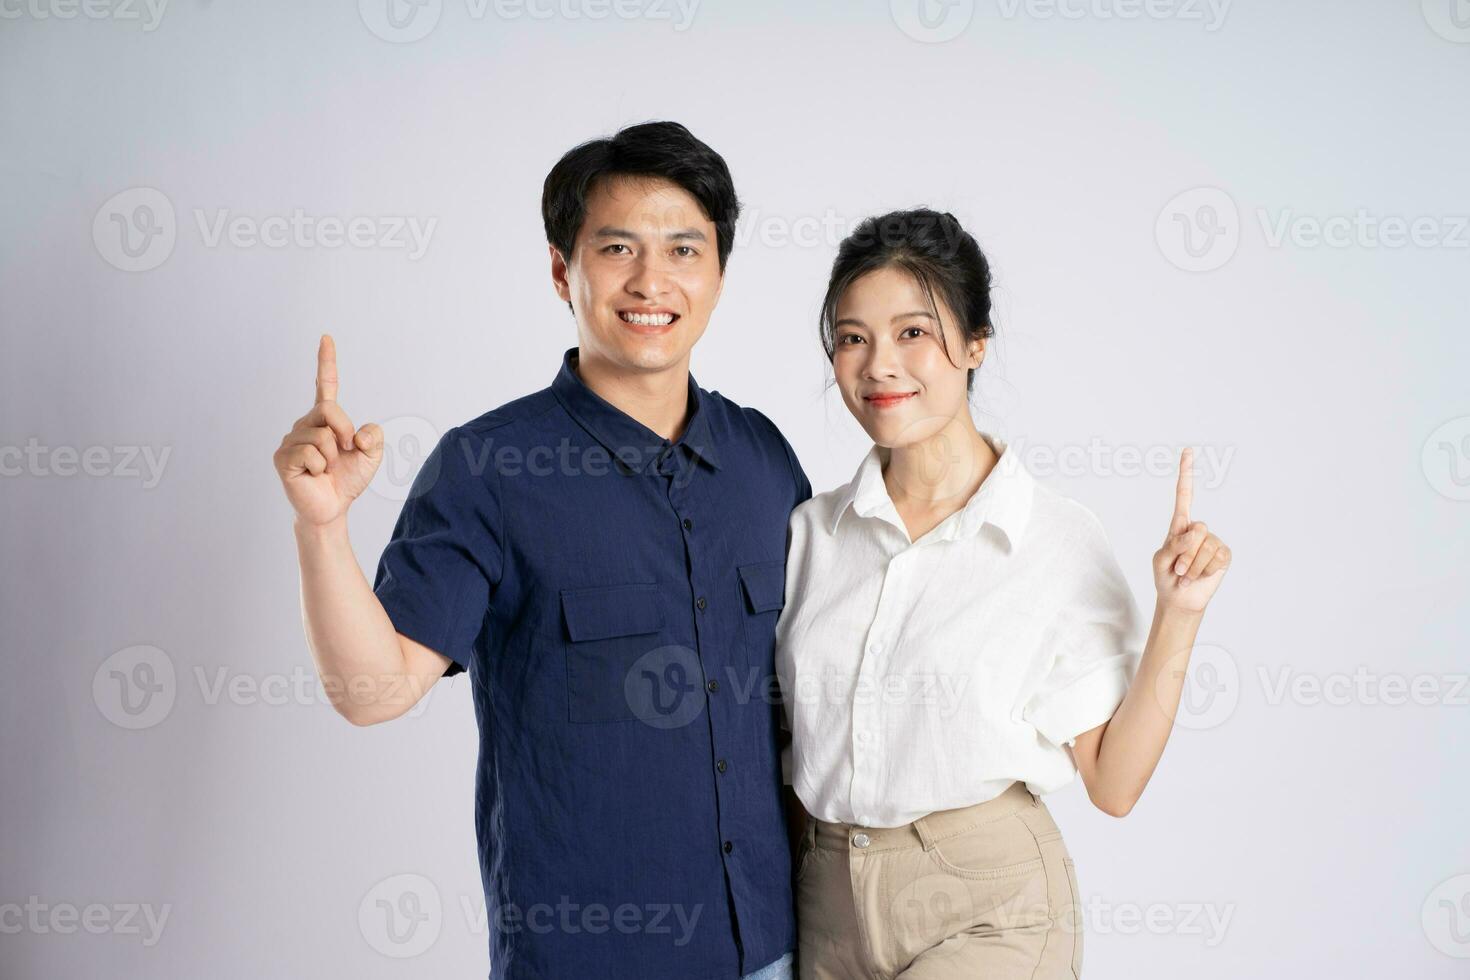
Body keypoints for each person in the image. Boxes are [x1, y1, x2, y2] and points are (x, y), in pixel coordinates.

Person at [272, 121, 806, 980]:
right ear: (563, 269)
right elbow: (372, 693)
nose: (651, 281)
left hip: (774, 951)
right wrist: (322, 526)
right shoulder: (488, 469)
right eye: (618, 248)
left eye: (683, 249)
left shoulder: (764, 459)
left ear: (718, 273)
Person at [775, 209, 1232, 978]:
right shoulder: (811, 535)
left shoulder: (1051, 538)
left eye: (914, 332)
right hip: (823, 906)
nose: (881, 364)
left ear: (976, 343)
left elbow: (1114, 784)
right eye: (854, 337)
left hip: (985, 907)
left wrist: (1179, 614)